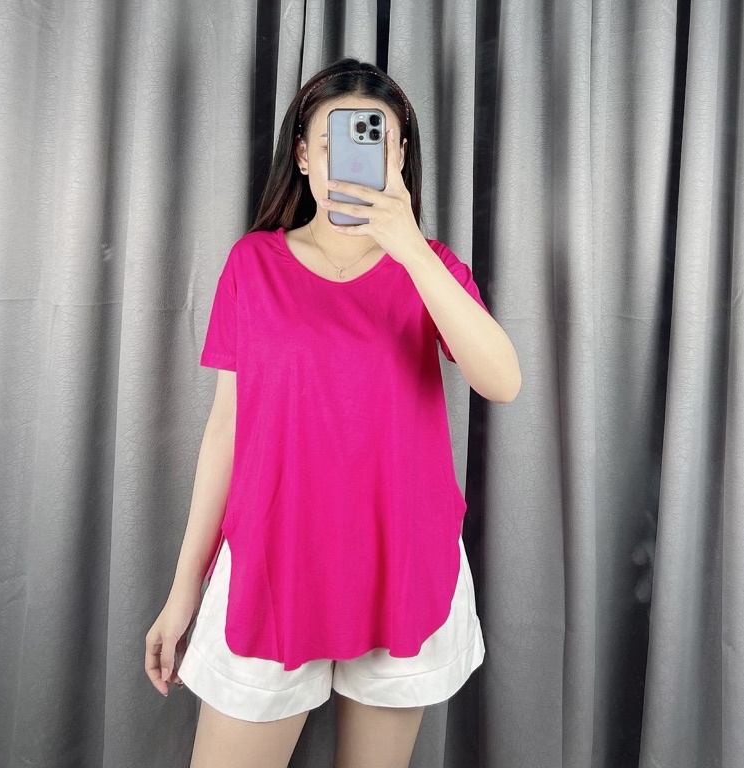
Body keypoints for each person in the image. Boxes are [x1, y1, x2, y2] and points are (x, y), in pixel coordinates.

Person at [144, 56, 521, 768]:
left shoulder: (432, 268)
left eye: (379, 141)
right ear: (304, 155)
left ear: (399, 157)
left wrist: (411, 250)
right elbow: (227, 431)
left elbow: (501, 381)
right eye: (333, 140)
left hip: (402, 563)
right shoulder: (253, 264)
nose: (353, 158)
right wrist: (184, 588)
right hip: (273, 563)